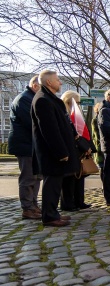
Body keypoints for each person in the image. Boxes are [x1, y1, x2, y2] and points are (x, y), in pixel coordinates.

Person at [31, 70, 79, 226]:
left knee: (56, 184)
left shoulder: (50, 99)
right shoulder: (43, 100)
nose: (60, 83)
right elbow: (49, 130)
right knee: (51, 185)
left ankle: (53, 213)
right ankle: (49, 216)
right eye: (58, 80)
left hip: (56, 152)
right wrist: (61, 152)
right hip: (51, 153)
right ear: (49, 82)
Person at [9, 75, 41, 220]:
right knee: (28, 177)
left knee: (36, 176)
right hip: (25, 144)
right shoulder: (24, 99)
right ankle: (27, 208)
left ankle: (34, 205)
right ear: (35, 86)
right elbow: (33, 122)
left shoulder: (31, 98)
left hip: (32, 144)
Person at [60, 90, 96, 211]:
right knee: (69, 179)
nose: (78, 104)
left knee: (79, 177)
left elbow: (83, 132)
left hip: (79, 150)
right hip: (70, 150)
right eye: (77, 102)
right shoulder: (64, 114)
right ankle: (68, 203)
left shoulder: (76, 114)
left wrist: (87, 147)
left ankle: (79, 201)